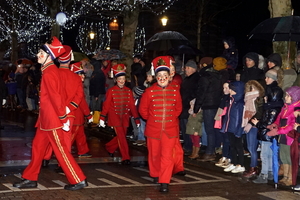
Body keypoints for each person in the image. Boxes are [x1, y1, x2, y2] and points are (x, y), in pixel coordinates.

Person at [13, 36, 87, 191]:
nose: (38, 54)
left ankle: (78, 179)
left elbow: (55, 97)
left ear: (49, 56)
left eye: (41, 52)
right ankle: (30, 177)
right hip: (46, 120)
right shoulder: (49, 71)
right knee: (37, 147)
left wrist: (62, 116)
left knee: (60, 151)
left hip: (53, 119)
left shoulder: (50, 72)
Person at [139, 56, 182, 193]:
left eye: (165, 75)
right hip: (153, 129)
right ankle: (156, 174)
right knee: (154, 155)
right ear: (156, 76)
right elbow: (143, 111)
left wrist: (168, 121)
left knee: (167, 157)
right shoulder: (149, 92)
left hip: (170, 130)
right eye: (159, 75)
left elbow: (178, 109)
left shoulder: (175, 92)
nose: (162, 78)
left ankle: (165, 181)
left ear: (169, 77)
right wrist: (152, 120)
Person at [99, 63, 140, 165]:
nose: (121, 81)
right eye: (119, 79)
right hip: (115, 117)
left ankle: (109, 147)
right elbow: (106, 106)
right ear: (116, 80)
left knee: (121, 136)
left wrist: (136, 119)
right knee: (121, 137)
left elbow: (132, 106)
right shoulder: (111, 91)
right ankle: (126, 157)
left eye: (123, 79)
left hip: (125, 117)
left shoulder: (128, 91)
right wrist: (102, 118)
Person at [251, 69, 284, 184]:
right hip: (269, 133)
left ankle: (264, 175)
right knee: (269, 153)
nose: (266, 80)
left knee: (264, 154)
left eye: (268, 78)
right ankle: (270, 172)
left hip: (267, 133)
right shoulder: (272, 106)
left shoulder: (272, 107)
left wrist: (258, 124)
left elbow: (269, 122)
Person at [194, 57, 229, 161]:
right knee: (215, 128)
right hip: (218, 105)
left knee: (209, 130)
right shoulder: (219, 76)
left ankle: (210, 152)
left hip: (208, 105)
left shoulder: (206, 77)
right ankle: (216, 148)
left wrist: (196, 108)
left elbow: (202, 93)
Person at [266, 86, 300, 186]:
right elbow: (279, 118)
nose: (285, 97)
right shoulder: (285, 107)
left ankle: (290, 178)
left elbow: (291, 126)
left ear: (294, 97)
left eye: (288, 96)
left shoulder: (296, 109)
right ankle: (285, 176)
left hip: (290, 137)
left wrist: (278, 131)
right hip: (283, 136)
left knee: (289, 157)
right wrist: (275, 124)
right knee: (283, 156)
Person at [69, 62, 93, 157]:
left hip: (76, 115)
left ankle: (83, 150)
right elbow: (82, 103)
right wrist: (88, 115)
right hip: (76, 115)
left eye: (82, 73)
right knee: (72, 136)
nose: (83, 76)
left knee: (80, 134)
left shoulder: (73, 85)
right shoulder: (77, 87)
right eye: (80, 74)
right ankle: (64, 151)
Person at [242, 80, 265, 179]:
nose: (252, 90)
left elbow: (259, 112)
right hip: (248, 122)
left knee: (252, 147)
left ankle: (253, 168)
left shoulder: (259, 98)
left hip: (254, 125)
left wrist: (251, 123)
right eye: (250, 88)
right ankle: (253, 167)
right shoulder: (247, 97)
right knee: (250, 147)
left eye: (254, 87)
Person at [222, 81, 246, 173]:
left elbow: (240, 118)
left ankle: (241, 164)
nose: (230, 91)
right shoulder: (232, 101)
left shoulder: (239, 103)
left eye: (232, 90)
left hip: (236, 128)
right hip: (230, 127)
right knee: (232, 146)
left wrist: (239, 130)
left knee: (238, 147)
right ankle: (234, 163)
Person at [179, 60, 199, 155]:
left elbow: (194, 92)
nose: (186, 70)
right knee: (184, 127)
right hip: (184, 105)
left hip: (189, 105)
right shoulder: (186, 79)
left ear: (193, 69)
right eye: (186, 68)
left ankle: (189, 146)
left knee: (189, 127)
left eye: (188, 68)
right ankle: (187, 145)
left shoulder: (196, 79)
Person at [214, 82, 231, 168]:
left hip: (227, 122)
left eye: (227, 88)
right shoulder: (224, 98)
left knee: (227, 140)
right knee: (224, 140)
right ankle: (224, 156)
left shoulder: (230, 99)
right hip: (223, 121)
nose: (225, 90)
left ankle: (228, 157)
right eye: (224, 88)